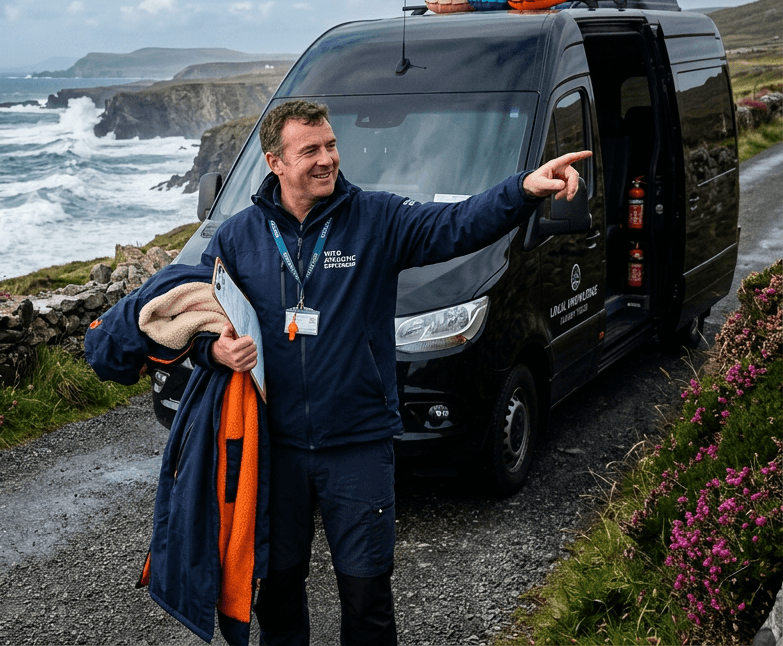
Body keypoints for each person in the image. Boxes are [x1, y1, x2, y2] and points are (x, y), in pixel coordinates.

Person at [196, 100, 590, 645]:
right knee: (279, 594)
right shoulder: (239, 237)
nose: (326, 159)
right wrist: (213, 350)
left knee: (367, 600)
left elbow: (457, 224)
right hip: (276, 449)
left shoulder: (376, 219)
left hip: (358, 446)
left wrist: (523, 189)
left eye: (330, 145)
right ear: (274, 162)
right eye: (309, 149)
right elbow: (194, 308)